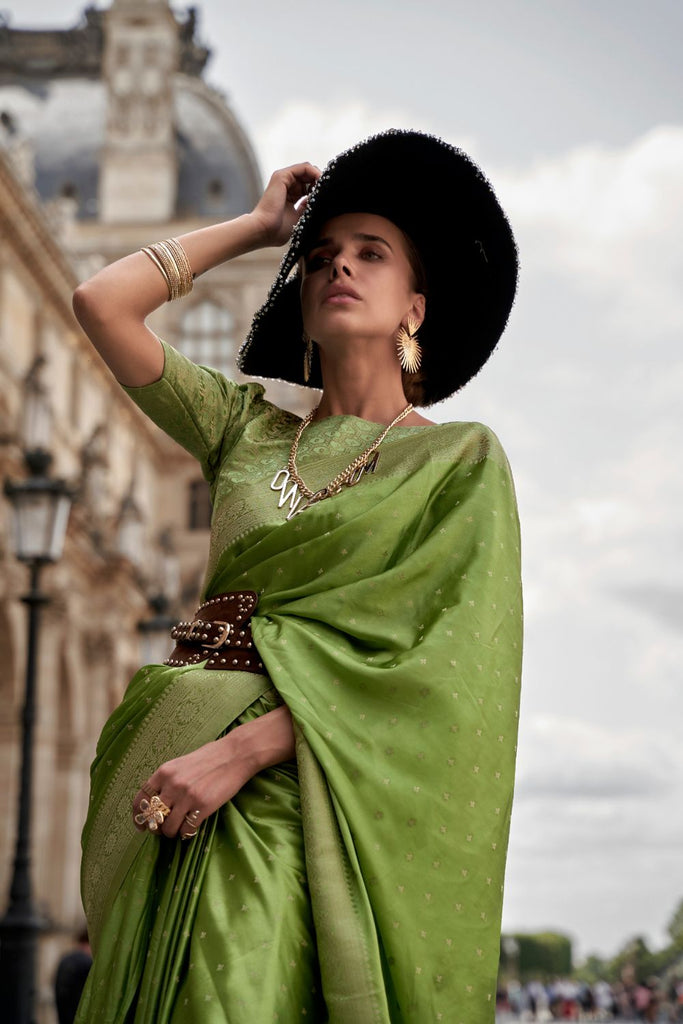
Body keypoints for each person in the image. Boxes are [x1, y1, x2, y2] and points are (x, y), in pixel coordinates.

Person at [73, 129, 522, 1023]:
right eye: (319, 258)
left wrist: (239, 752)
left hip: (299, 794)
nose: (338, 266)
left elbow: (447, 671)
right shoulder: (243, 428)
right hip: (169, 770)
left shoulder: (460, 462)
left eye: (370, 253)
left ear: (415, 308)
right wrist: (255, 228)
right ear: (301, 304)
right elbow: (101, 304)